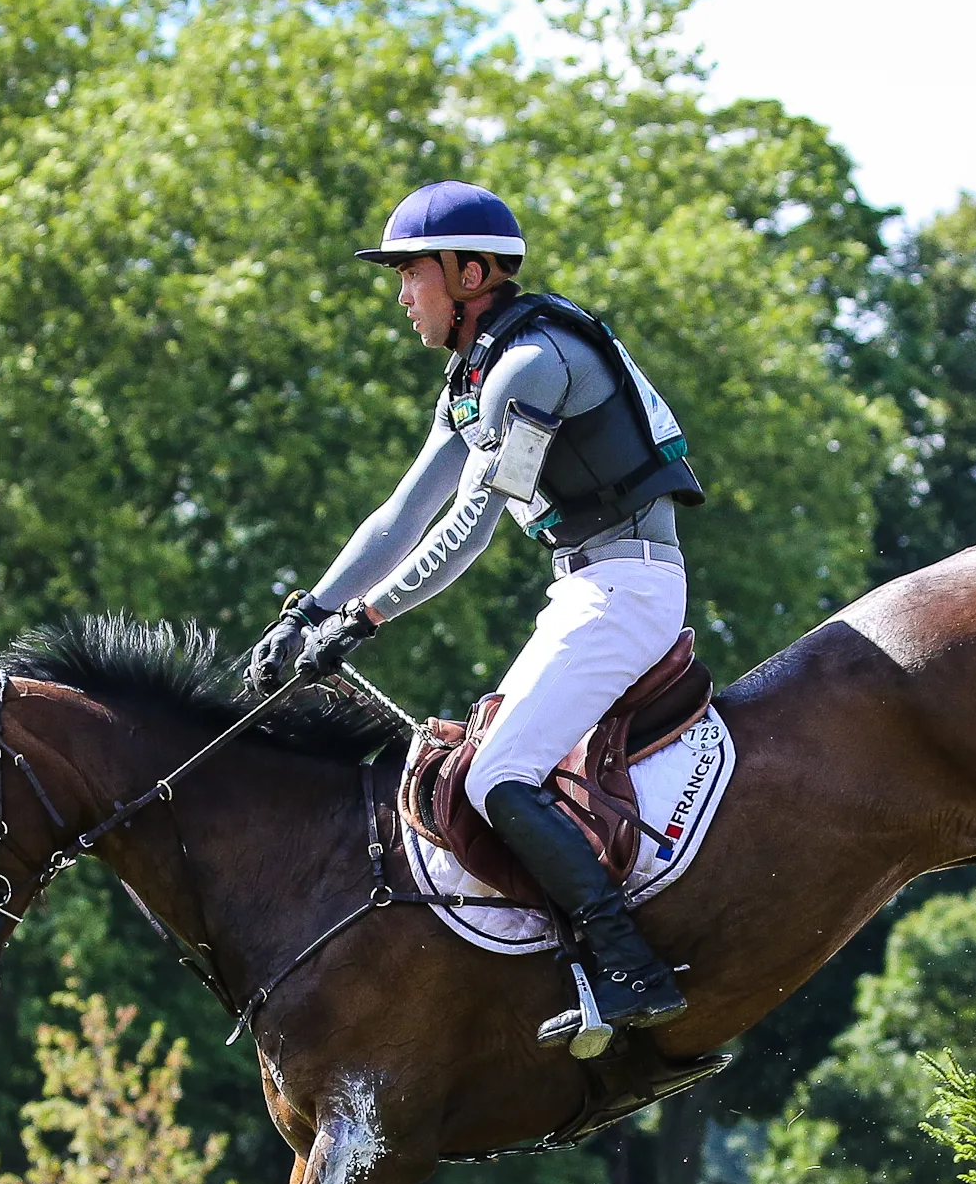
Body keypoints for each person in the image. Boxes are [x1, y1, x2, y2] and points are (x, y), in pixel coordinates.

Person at [246, 181, 706, 1039]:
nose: (400, 294)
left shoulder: (533, 366)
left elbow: (468, 528)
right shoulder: (478, 372)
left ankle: (631, 968)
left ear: (467, 273)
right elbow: (401, 513)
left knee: (496, 778)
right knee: (484, 771)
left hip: (629, 588)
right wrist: (307, 611)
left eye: (409, 273)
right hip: (586, 586)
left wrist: (363, 620)